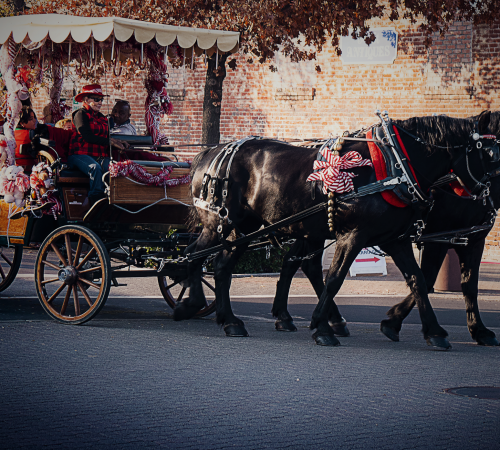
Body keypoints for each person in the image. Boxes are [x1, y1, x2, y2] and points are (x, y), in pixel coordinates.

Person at [68, 84, 128, 205]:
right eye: (96, 99)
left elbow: (107, 136)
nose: (100, 102)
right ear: (86, 100)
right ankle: (97, 202)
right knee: (94, 168)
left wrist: (119, 143)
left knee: (114, 169)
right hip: (79, 154)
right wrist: (110, 142)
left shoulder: (101, 117)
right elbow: (87, 137)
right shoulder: (80, 114)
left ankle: (116, 200)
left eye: (101, 99)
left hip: (98, 155)